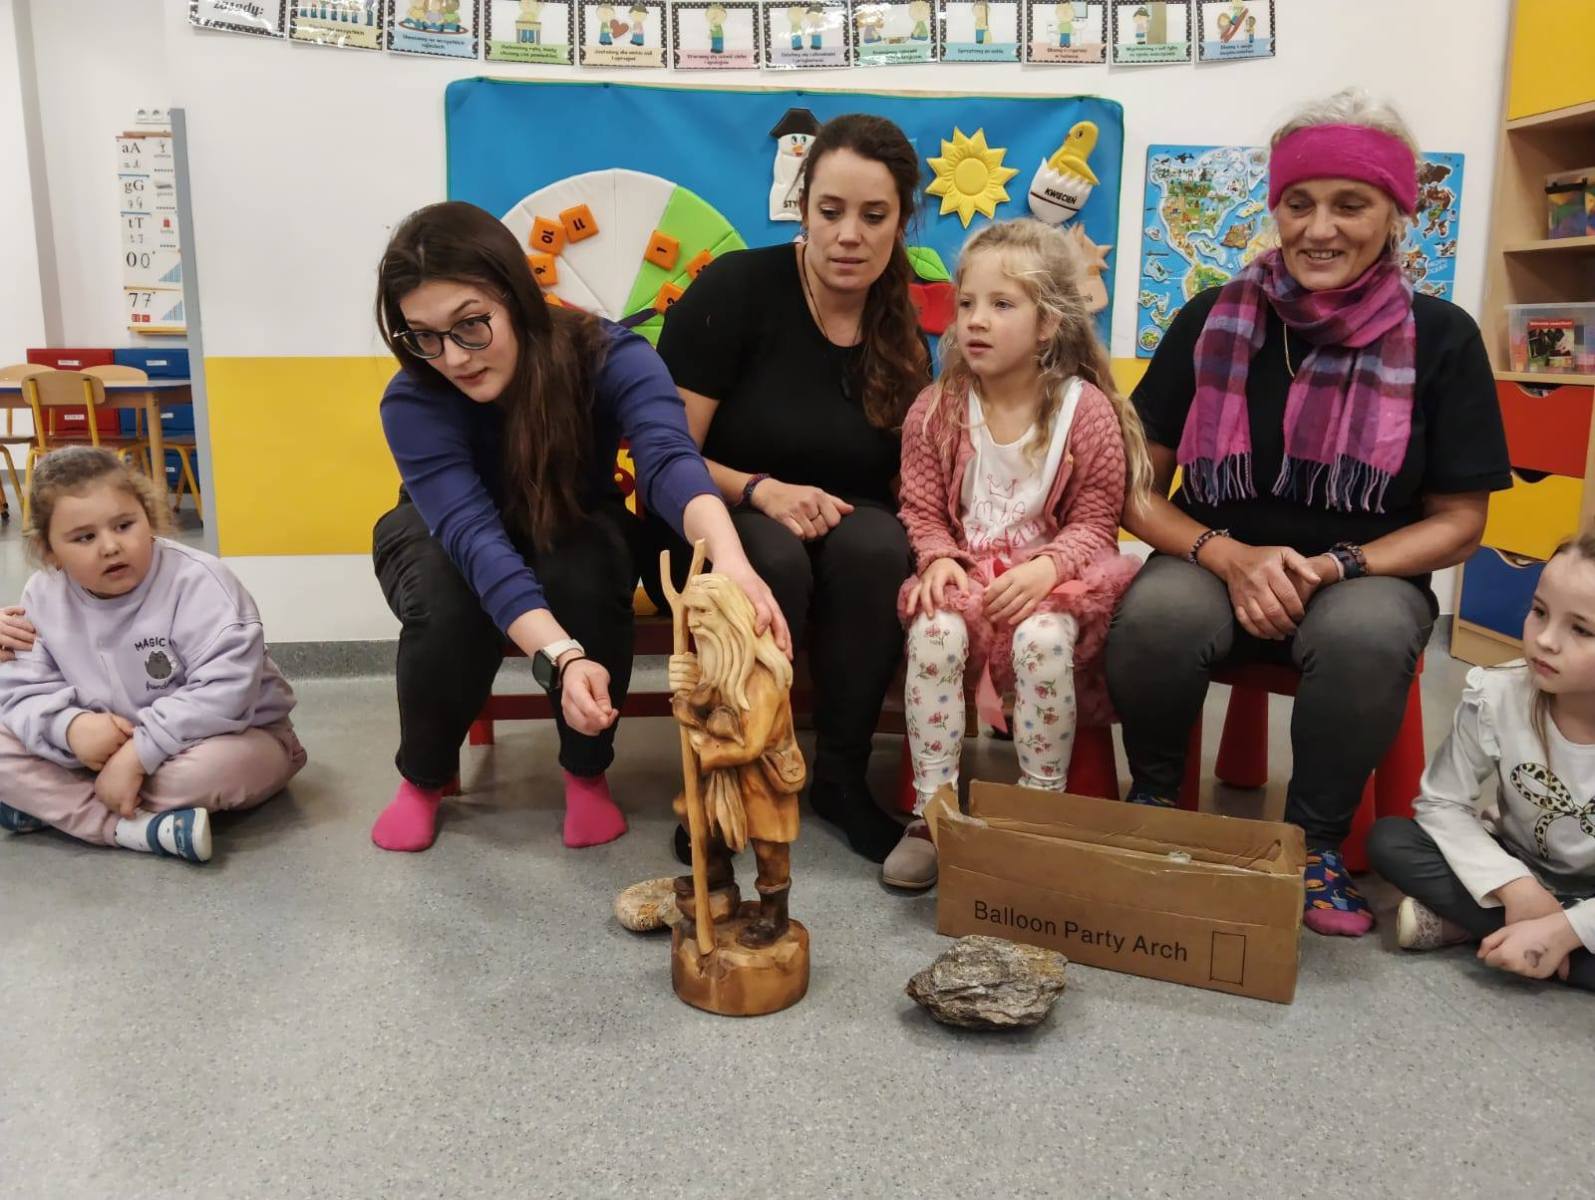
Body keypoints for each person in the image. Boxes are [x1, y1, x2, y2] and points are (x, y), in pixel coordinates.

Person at [1106, 89, 1511, 937]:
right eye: (1298, 203)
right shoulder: (1210, 318)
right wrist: (1225, 555)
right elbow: (1135, 486)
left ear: (1395, 215)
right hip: (1211, 554)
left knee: (1363, 635)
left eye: (1349, 204)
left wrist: (1334, 566)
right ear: (1276, 210)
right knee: (1156, 614)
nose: (1318, 228)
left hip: (1362, 573)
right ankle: (1155, 804)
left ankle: (1313, 842)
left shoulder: (1441, 337)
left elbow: (1458, 521)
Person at [370, 201, 785, 855]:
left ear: (515, 295)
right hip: (438, 525)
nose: (452, 357)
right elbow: (472, 536)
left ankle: (586, 772)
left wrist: (730, 561)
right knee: (449, 599)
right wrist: (561, 658)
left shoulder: (605, 353)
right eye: (424, 336)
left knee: (588, 570)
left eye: (471, 325)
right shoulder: (413, 397)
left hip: (568, 512)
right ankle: (422, 778)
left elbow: (668, 460)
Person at [651, 113, 932, 863]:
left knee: (880, 547)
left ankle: (839, 776)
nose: (849, 235)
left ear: (901, 220)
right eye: (830, 211)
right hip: (722, 507)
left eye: (873, 216)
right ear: (802, 208)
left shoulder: (899, 320)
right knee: (773, 559)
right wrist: (761, 490)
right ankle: (733, 778)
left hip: (845, 517)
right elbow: (667, 453)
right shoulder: (735, 289)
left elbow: (903, 471)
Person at [885, 219, 1150, 889]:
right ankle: (932, 812)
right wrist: (937, 558)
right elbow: (921, 508)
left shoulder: (1084, 411)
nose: (975, 320)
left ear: (1046, 325)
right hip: (968, 573)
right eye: (967, 303)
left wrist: (1047, 568)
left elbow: (1096, 521)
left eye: (1002, 305)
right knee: (935, 633)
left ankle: (1037, 811)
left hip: (1055, 579)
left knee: (1042, 643)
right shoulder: (936, 409)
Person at [0, 448, 305, 863]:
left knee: (211, 770)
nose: (111, 546)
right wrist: (70, 727)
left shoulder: (199, 581)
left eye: (125, 525)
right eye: (85, 538)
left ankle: (59, 807)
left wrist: (138, 753)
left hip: (230, 738)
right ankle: (129, 828)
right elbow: (23, 691)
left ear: (149, 516)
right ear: (49, 551)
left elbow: (227, 692)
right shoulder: (41, 595)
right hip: (100, 749)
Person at [1367, 534, 1595, 990]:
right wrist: (1516, 887)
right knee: (1391, 840)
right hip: (1516, 864)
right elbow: (1440, 803)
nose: (1545, 640)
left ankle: (1495, 931)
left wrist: (1565, 928)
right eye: (1539, 612)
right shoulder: (1497, 693)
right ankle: (1544, 946)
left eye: (1582, 630)